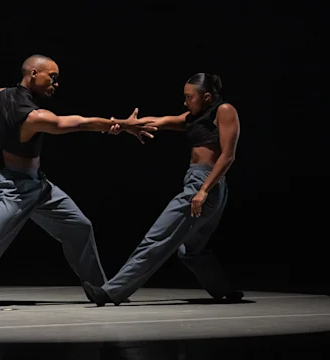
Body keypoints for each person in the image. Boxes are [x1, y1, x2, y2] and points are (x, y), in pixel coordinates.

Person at [0, 54, 156, 310]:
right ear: (33, 73)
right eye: (52, 78)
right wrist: (123, 125)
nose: (55, 84)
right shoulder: (34, 116)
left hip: (41, 188)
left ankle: (101, 290)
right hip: (13, 189)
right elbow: (79, 123)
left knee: (80, 226)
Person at [84, 73, 244, 306]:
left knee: (157, 238)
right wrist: (121, 124)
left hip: (204, 185)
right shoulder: (191, 117)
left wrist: (204, 190)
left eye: (190, 97)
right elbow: (158, 121)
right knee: (191, 249)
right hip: (205, 186)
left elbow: (228, 156)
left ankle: (111, 292)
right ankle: (224, 290)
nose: (185, 102)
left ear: (207, 96)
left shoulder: (224, 110)